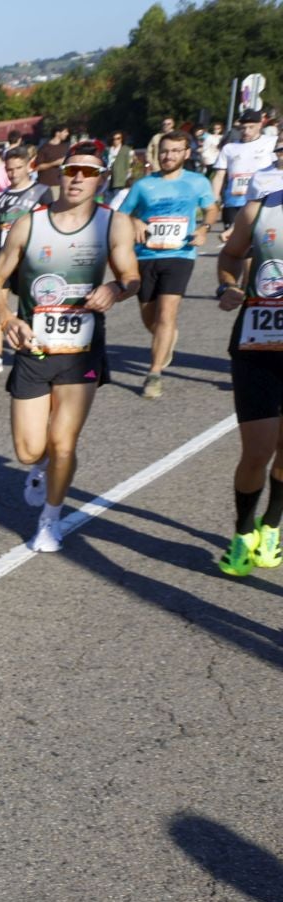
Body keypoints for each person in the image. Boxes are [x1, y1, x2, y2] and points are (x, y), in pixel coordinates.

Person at [0, 142, 140, 554]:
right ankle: (39, 467)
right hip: (34, 348)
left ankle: (50, 520)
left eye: (89, 173)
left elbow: (131, 276)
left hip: (81, 349)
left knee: (65, 441)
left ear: (102, 179)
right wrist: (7, 319)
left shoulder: (114, 223)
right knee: (29, 448)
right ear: (59, 173)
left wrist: (116, 289)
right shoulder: (28, 225)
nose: (78, 179)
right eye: (72, 171)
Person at [210, 171, 283, 576]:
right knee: (257, 451)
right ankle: (242, 533)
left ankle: (271, 525)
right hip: (257, 343)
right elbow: (230, 256)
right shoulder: (260, 209)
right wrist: (227, 286)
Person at [116, 131, 218, 398]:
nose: (168, 156)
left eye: (175, 151)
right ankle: (166, 337)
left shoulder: (197, 182)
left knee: (166, 314)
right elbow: (121, 215)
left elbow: (211, 209)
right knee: (150, 318)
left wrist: (205, 228)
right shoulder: (143, 185)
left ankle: (154, 374)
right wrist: (135, 222)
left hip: (180, 254)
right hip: (146, 256)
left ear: (186, 153)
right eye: (164, 151)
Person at [0, 145, 50, 376]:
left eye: (18, 168)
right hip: (2, 257)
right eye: (9, 169)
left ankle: (35, 345)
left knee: (34, 306)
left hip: (30, 258)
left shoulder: (42, 192)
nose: (13, 173)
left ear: (29, 165)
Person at [212, 111, 272, 242]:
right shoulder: (229, 148)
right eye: (243, 128)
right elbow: (219, 175)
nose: (246, 131)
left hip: (260, 201)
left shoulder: (270, 143)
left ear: (260, 125)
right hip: (233, 202)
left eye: (251, 127)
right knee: (232, 240)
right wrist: (214, 199)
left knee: (256, 241)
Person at [35, 126, 73, 196]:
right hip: (45, 184)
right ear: (57, 133)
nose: (67, 134)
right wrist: (55, 163)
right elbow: (37, 167)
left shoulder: (65, 147)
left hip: (61, 184)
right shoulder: (44, 148)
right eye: (65, 132)